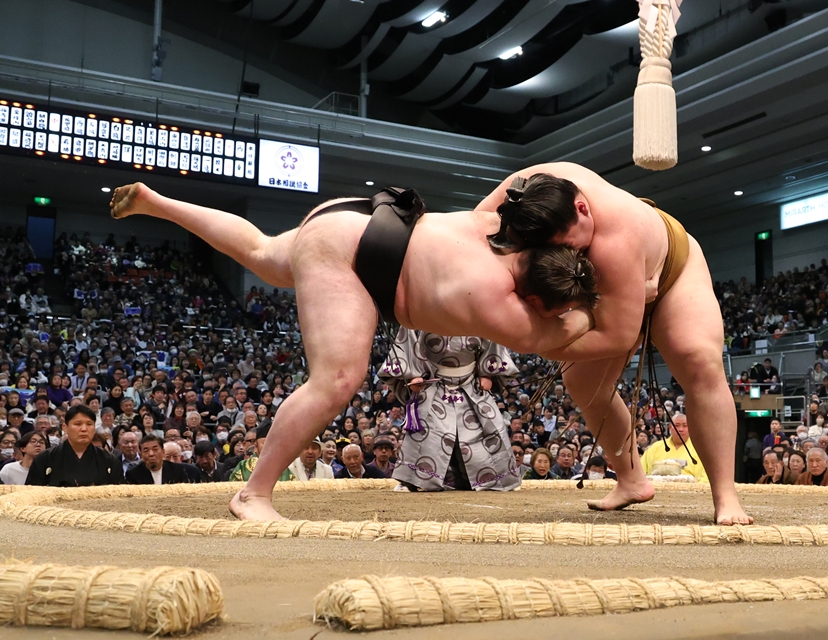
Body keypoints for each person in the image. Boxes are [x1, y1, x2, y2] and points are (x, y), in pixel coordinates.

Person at [111, 182, 597, 520]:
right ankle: (253, 493)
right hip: (351, 258)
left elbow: (528, 184)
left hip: (364, 214)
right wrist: (602, 310)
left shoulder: (498, 221)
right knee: (337, 381)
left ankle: (159, 202)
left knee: (261, 252)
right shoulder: (494, 298)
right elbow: (548, 339)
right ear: (534, 300)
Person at [476, 164, 752, 524]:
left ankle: (725, 495)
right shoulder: (517, 197)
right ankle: (631, 480)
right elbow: (475, 237)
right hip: (601, 290)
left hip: (669, 271)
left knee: (699, 359)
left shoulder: (616, 238)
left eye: (573, 247)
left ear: (582, 209)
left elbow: (617, 337)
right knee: (583, 382)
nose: (569, 254)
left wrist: (535, 342)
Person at [378, 329, 520, 491]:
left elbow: (494, 338)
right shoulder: (419, 310)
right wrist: (413, 374)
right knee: (425, 428)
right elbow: (406, 340)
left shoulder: (480, 310)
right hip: (432, 383)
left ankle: (492, 478)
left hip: (471, 385)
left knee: (489, 424)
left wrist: (488, 374)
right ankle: (416, 480)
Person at [26, 406, 124, 486]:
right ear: (65, 427)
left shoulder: (109, 460)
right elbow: (33, 494)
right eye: (78, 424)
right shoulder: (45, 458)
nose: (84, 429)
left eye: (89, 424)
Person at [639, 414, 707, 482]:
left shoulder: (700, 450)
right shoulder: (655, 448)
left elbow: (706, 478)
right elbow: (641, 472)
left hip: (691, 489)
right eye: (677, 425)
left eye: (685, 426)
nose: (680, 429)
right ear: (670, 427)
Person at [228, 424, 296, 483]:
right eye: (265, 442)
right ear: (256, 445)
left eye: (273, 443)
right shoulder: (243, 466)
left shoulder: (283, 467)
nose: (269, 446)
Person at [126, 435, 191, 485]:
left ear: (163, 452)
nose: (151, 454)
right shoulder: (133, 474)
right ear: (141, 455)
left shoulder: (177, 470)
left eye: (155, 449)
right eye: (146, 450)